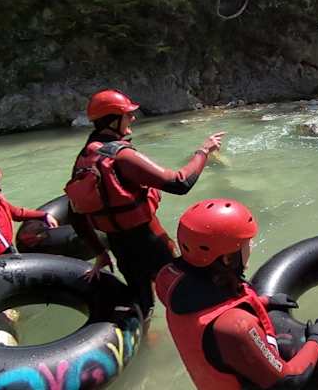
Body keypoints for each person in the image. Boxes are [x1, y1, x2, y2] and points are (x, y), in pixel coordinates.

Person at [65, 88, 225, 316]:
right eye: (127, 114)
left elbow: (75, 215)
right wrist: (203, 151)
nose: (132, 118)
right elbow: (179, 183)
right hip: (152, 242)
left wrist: (100, 253)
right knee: (186, 293)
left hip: (120, 248)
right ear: (113, 120)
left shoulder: (84, 158)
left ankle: (149, 337)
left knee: (144, 303)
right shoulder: (121, 155)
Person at [153, 199, 318, 389]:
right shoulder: (236, 327)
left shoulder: (169, 281)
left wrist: (263, 302)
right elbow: (289, 381)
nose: (251, 248)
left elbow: (208, 311)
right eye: (245, 244)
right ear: (227, 258)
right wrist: (317, 339)